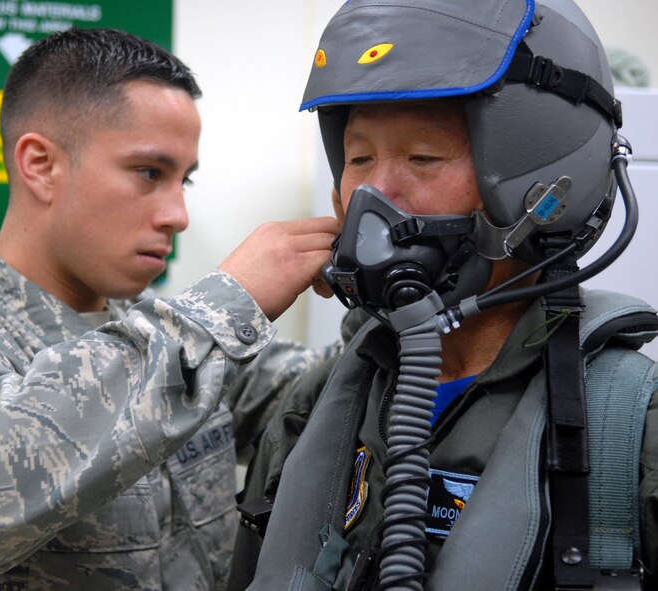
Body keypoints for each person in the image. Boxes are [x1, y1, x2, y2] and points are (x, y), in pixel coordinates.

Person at [0, 28, 341, 591]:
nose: (178, 214)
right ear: (40, 165)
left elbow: (320, 395)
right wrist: (226, 305)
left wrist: (385, 292)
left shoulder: (167, 338)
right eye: (149, 173)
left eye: (184, 180)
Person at [231, 1, 658, 589]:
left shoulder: (629, 424)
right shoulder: (321, 402)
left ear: (542, 189)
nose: (374, 195)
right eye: (359, 159)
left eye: (423, 157)